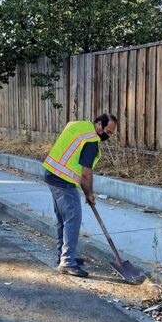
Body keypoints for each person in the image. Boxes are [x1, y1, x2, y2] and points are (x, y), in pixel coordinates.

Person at [43, 113, 117, 278]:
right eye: (108, 132)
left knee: (63, 219)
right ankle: (68, 262)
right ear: (99, 124)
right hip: (63, 180)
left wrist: (86, 192)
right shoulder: (91, 140)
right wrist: (89, 194)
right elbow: (86, 173)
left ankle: (62, 255)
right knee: (73, 218)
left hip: (51, 173)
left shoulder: (78, 125)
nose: (108, 136)